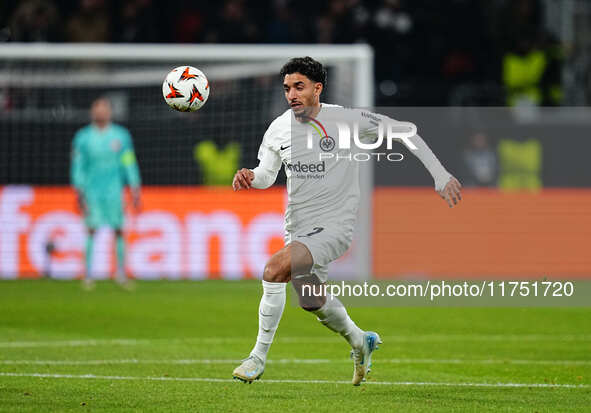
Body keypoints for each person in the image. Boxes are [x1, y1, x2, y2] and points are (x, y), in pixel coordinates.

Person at [231, 57, 462, 385]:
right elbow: (268, 174)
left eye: (299, 87)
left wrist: (439, 175)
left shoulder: (347, 120)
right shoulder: (279, 127)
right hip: (298, 226)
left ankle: (257, 357)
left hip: (335, 226)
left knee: (273, 270)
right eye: (287, 88)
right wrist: (250, 177)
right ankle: (360, 341)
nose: (292, 94)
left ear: (317, 88)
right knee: (311, 299)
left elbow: (406, 133)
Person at [70, 98, 141, 289]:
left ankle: (120, 273)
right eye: (97, 109)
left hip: (114, 190)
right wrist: (78, 189)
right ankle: (88, 275)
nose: (100, 112)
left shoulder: (121, 136)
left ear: (109, 112)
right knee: (91, 230)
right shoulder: (83, 137)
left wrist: (134, 185)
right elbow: (78, 166)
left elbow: (128, 161)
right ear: (92, 112)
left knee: (119, 230)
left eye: (103, 109)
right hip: (92, 191)